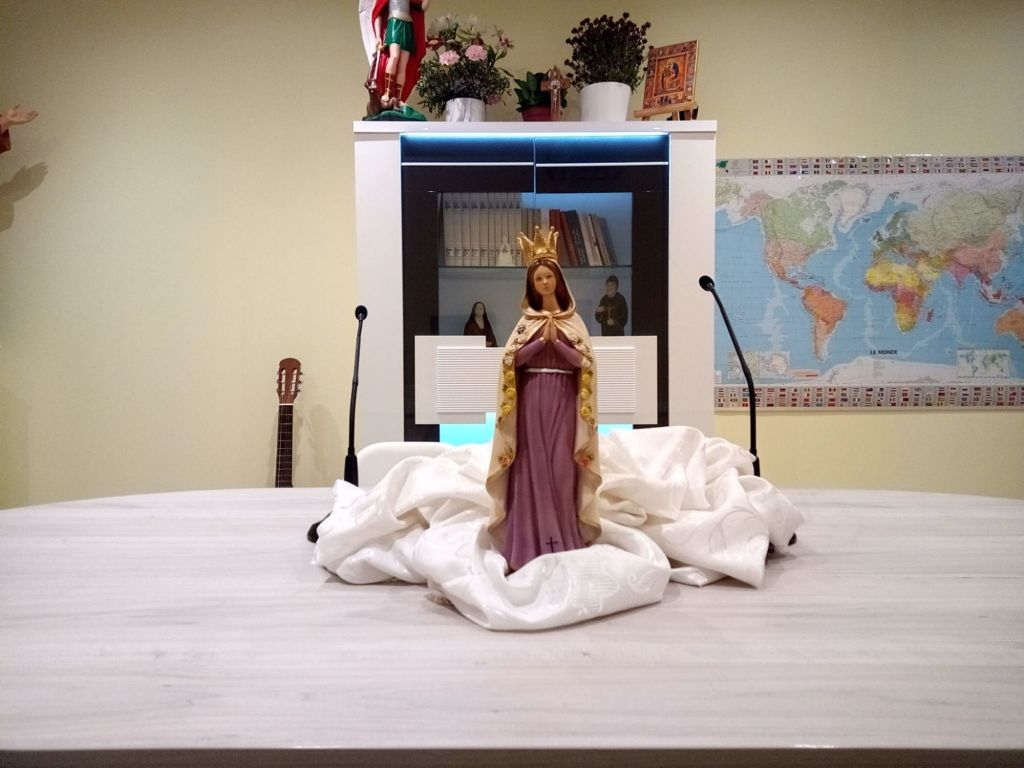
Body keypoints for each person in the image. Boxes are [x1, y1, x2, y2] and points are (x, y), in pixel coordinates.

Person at [486, 226, 601, 571]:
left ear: (558, 279)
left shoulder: (573, 321)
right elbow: (512, 361)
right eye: (539, 278)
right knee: (531, 466)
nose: (545, 282)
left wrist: (557, 344)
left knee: (562, 467)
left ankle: (564, 539)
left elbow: (583, 363)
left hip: (564, 399)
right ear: (531, 285)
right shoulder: (527, 323)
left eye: (549, 276)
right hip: (532, 399)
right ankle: (526, 545)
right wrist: (540, 342)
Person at [370, 0, 431, 109]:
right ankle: (387, 92)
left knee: (403, 64)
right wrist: (378, 36)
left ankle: (398, 98)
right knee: (394, 57)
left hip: (408, 26)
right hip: (394, 22)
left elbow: (421, 8)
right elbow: (377, 13)